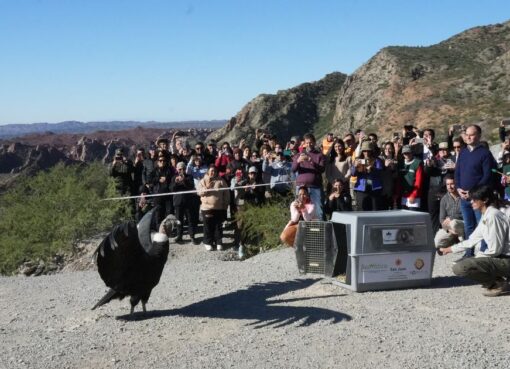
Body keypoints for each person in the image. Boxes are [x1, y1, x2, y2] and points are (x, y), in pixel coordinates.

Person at [439, 185, 510, 297]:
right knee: (469, 262)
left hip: (506, 259)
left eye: (474, 199)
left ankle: (497, 283)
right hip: (502, 257)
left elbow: (495, 250)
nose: (471, 202)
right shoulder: (486, 215)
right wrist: (449, 249)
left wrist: (477, 260)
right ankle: (499, 279)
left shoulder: (493, 216)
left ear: (485, 200)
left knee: (462, 267)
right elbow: (472, 240)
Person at [454, 124, 496, 255]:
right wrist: (458, 188)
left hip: (477, 197)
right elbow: (458, 172)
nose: (468, 137)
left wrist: (472, 192)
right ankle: (469, 253)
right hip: (464, 196)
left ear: (478, 135)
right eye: (467, 134)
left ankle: (484, 252)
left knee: (482, 225)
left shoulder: (484, 153)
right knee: (468, 225)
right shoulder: (463, 152)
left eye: (471, 134)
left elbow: (487, 175)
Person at [291, 133, 325, 219]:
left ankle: (319, 230)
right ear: (304, 143)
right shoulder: (299, 155)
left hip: (315, 187)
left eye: (311, 142)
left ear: (314, 142)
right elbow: (293, 169)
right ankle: (300, 229)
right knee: (299, 209)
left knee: (318, 210)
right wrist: (298, 161)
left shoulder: (319, 155)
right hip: (301, 187)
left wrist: (311, 160)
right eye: (307, 142)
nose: (309, 144)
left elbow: (322, 169)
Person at [198, 165, 230, 251]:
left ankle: (218, 242)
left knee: (218, 226)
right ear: (208, 171)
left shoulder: (221, 181)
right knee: (208, 226)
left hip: (219, 207)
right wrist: (206, 188)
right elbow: (199, 192)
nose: (213, 172)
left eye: (215, 171)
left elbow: (226, 193)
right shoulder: (203, 181)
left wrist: (226, 204)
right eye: (211, 171)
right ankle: (208, 242)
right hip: (206, 207)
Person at [169, 162, 197, 244]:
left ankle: (192, 236)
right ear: (177, 169)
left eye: (183, 169)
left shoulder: (189, 177)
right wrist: (176, 182)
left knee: (190, 219)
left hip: (188, 201)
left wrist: (184, 180)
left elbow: (191, 186)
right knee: (179, 220)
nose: (182, 170)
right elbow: (171, 189)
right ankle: (179, 236)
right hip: (178, 202)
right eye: (180, 169)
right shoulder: (174, 177)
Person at [351, 140, 383, 211]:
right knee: (362, 209)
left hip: (374, 188)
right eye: (364, 151)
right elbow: (353, 174)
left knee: (375, 209)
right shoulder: (357, 160)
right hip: (361, 189)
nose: (366, 153)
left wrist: (372, 169)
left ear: (371, 151)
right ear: (362, 151)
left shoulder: (377, 160)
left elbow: (380, 173)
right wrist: (355, 167)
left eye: (368, 150)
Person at [434, 175, 464, 248]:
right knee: (436, 243)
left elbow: (465, 214)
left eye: (452, 184)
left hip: (462, 224)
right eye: (448, 184)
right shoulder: (444, 199)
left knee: (454, 223)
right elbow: (442, 219)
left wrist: (451, 218)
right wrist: (448, 230)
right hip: (450, 227)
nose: (450, 186)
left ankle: (462, 241)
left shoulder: (463, 196)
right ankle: (454, 239)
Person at [397, 145, 424, 210]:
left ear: (412, 152)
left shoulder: (417, 163)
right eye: (405, 153)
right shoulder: (401, 164)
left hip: (414, 196)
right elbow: (399, 180)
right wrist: (397, 193)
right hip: (403, 196)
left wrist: (413, 195)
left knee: (413, 218)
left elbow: (418, 182)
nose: (407, 155)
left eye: (408, 153)